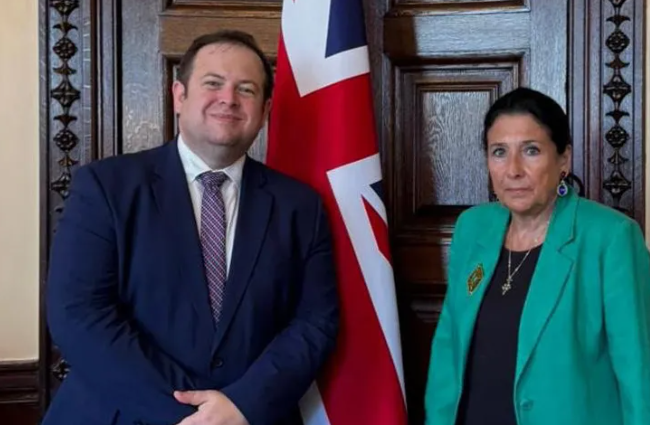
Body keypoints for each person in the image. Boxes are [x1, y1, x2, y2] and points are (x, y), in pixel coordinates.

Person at [42, 30, 339, 425]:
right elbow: (78, 313)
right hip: (121, 414)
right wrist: (190, 415)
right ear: (179, 96)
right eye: (213, 83)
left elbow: (315, 322)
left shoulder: (300, 207)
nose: (228, 99)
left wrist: (242, 405)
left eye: (246, 89)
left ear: (265, 110)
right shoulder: (106, 187)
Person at [424, 87, 650, 425]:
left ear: (563, 159)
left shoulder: (611, 237)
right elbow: (448, 349)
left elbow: (639, 373)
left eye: (531, 150)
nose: (513, 170)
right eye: (499, 152)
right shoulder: (472, 228)